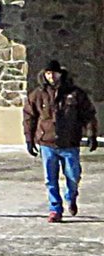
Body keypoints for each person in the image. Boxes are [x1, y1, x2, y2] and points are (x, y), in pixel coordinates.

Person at [23, 59, 98, 222]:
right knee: (50, 179)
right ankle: (55, 209)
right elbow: (29, 117)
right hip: (47, 143)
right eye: (48, 73)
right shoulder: (37, 94)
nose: (51, 76)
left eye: (54, 73)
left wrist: (91, 134)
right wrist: (29, 139)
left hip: (69, 142)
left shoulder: (75, 93)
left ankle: (71, 197)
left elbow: (88, 114)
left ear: (60, 73)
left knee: (73, 175)